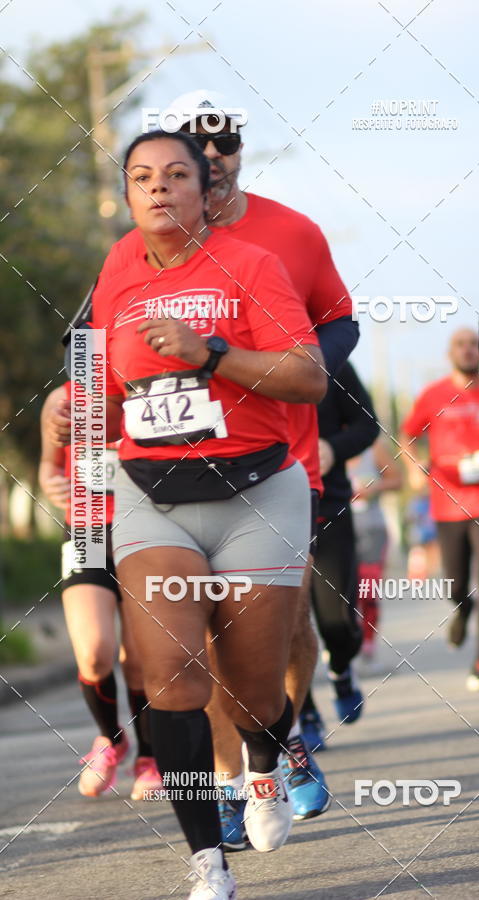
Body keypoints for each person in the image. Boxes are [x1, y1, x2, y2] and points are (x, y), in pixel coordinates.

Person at [49, 129, 326, 900]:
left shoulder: (253, 266)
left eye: (177, 175)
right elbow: (102, 384)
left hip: (258, 491)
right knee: (172, 679)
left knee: (252, 690)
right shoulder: (115, 271)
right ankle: (209, 860)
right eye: (143, 177)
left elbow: (308, 378)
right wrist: (78, 415)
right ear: (129, 195)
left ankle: (267, 765)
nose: (160, 188)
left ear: (209, 193)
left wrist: (208, 353)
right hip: (153, 497)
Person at [39, 383, 161, 799]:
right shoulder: (63, 398)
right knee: (94, 652)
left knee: (141, 662)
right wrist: (54, 484)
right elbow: (48, 469)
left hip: (146, 529)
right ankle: (111, 740)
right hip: (88, 530)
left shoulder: (156, 389)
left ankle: (149, 756)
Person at [400, 328, 479, 691]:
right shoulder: (433, 395)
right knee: (456, 584)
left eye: (474, 344)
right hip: (448, 501)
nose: (469, 350)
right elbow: (408, 433)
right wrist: (414, 466)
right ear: (450, 353)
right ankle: (462, 608)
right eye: (461, 345)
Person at [300, 361, 379, 752]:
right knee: (281, 628)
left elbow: (368, 425)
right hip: (262, 513)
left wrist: (332, 447)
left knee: (336, 622)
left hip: (326, 507)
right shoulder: (238, 355)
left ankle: (341, 667)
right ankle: (305, 715)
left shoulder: (329, 358)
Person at [348, 436, 403, 670]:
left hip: (373, 529)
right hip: (337, 532)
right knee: (343, 593)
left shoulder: (372, 446)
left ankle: (368, 647)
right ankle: (345, 650)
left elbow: (397, 481)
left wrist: (374, 487)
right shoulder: (322, 445)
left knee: (367, 591)